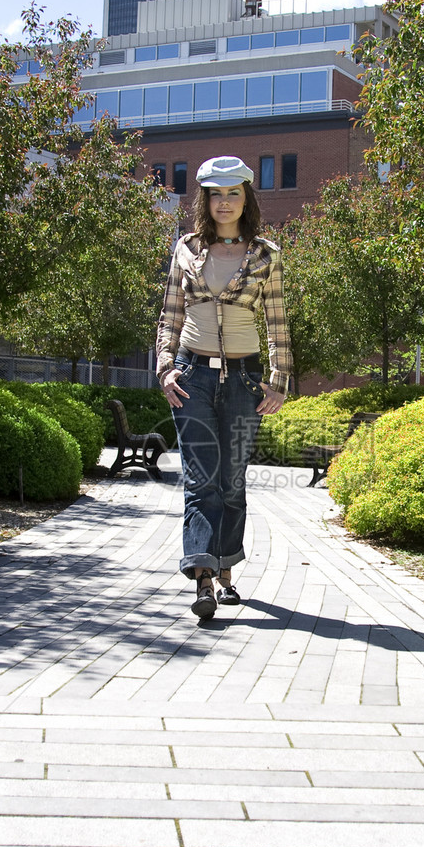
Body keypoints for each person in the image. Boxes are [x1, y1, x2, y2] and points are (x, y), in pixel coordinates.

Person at [156, 155, 293, 619]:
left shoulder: (265, 255)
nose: (225, 202)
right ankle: (203, 579)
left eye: (233, 193)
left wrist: (278, 382)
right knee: (200, 483)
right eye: (217, 194)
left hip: (244, 380)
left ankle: (228, 565)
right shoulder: (186, 249)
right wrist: (164, 368)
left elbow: (277, 323)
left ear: (246, 198)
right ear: (206, 200)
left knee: (232, 484)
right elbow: (170, 314)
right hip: (191, 376)